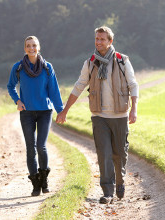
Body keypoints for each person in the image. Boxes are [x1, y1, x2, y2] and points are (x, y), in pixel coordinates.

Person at [56, 26, 139, 204]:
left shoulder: (122, 61)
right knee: (104, 154)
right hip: (99, 116)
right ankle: (107, 191)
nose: (98, 42)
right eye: (96, 39)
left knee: (120, 154)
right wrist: (65, 110)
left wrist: (134, 109)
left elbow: (133, 85)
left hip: (120, 115)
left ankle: (120, 181)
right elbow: (79, 86)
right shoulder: (90, 63)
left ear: (110, 42)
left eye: (102, 39)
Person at [7, 36, 64, 196]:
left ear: (39, 47)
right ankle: (36, 185)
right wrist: (17, 100)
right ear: (25, 48)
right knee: (30, 149)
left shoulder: (47, 67)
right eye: (28, 46)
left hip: (45, 112)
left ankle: (44, 179)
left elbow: (53, 90)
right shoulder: (18, 67)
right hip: (27, 113)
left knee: (41, 146)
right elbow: (10, 86)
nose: (31, 48)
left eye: (34, 45)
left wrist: (61, 110)